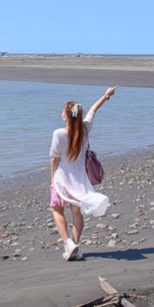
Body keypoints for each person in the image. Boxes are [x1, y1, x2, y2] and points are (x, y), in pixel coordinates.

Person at [50, 86, 117, 261]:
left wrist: (52, 178)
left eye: (63, 112)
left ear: (66, 115)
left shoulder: (58, 133)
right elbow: (94, 109)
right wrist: (106, 95)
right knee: (76, 213)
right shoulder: (85, 130)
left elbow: (54, 159)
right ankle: (76, 246)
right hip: (80, 179)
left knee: (57, 210)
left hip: (62, 178)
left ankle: (68, 243)